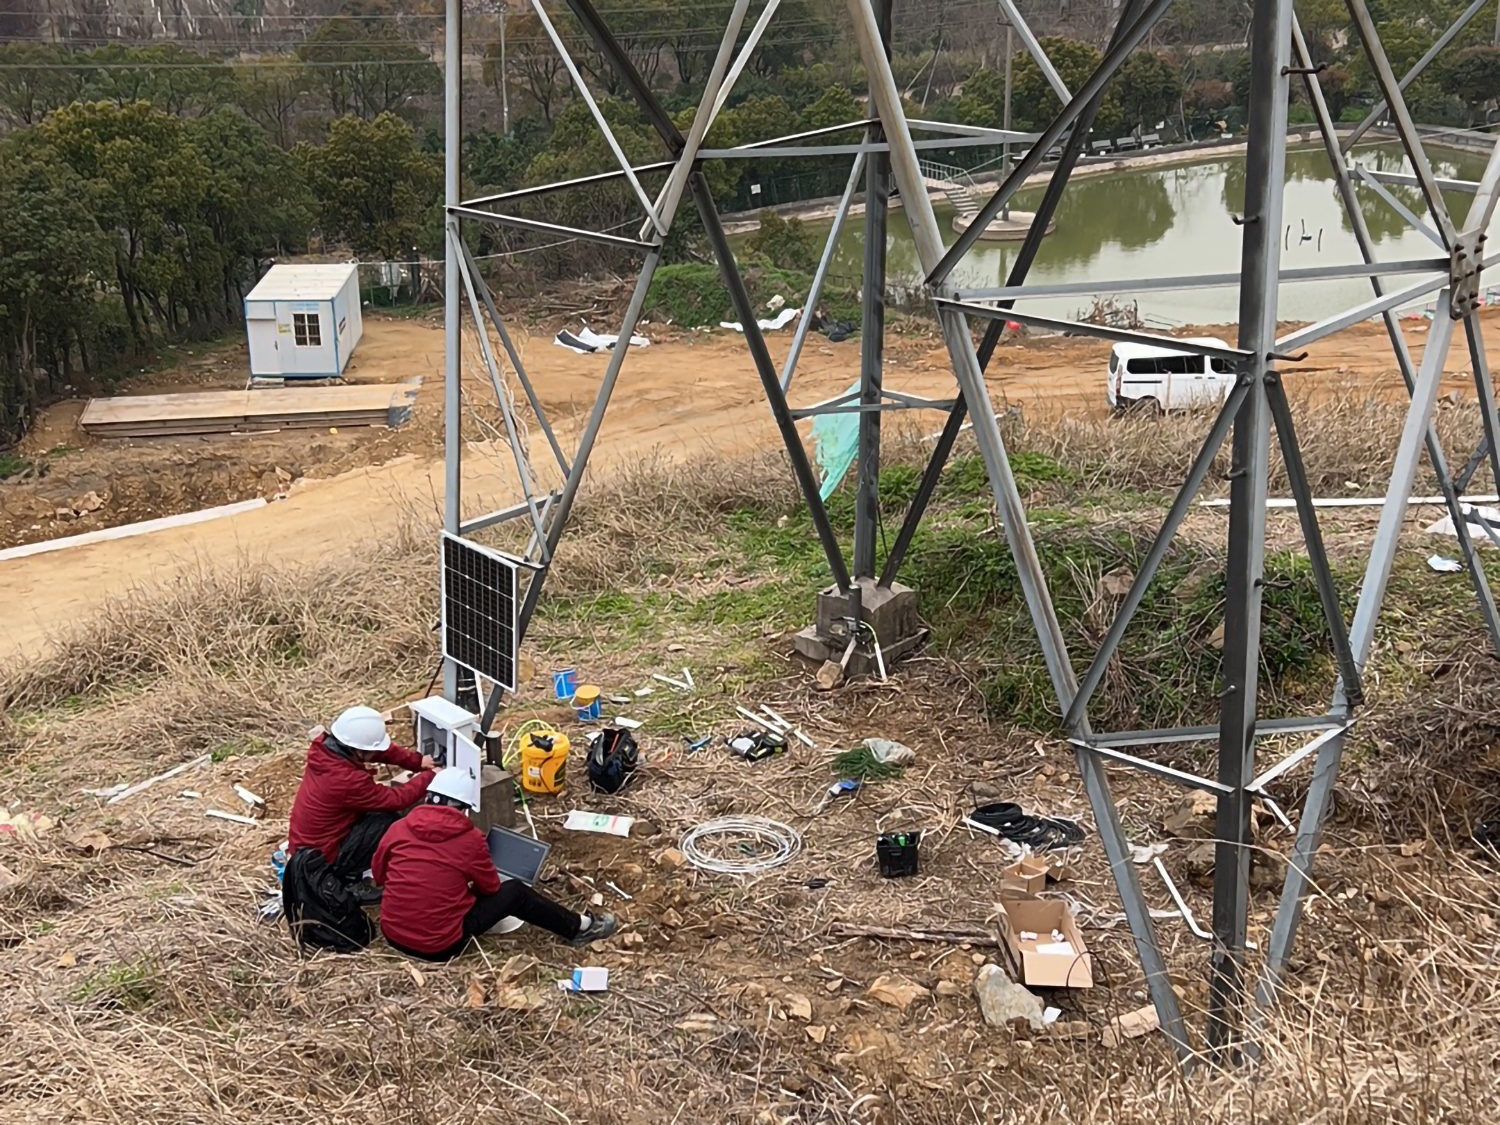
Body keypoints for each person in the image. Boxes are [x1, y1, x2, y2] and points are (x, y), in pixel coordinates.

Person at [373, 767, 619, 961]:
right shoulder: (470, 840)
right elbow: (490, 889)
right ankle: (580, 928)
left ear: (427, 797)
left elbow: (379, 875)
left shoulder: (398, 828)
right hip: (440, 947)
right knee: (516, 893)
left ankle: (580, 927)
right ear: (466, 809)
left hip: (393, 935)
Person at [288, 705, 436, 883]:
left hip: (308, 845)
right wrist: (431, 776)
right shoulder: (346, 779)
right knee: (387, 823)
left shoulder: (326, 749)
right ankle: (351, 874)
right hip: (322, 859)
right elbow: (396, 799)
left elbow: (375, 751)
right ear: (358, 751)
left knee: (376, 813)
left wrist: (417, 762)